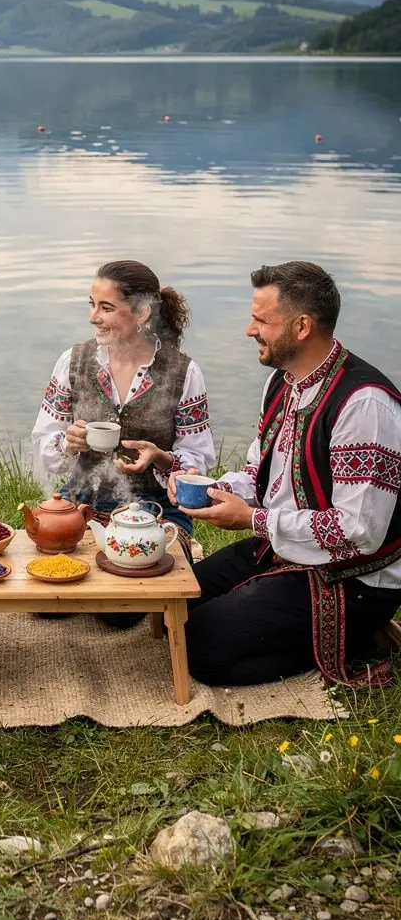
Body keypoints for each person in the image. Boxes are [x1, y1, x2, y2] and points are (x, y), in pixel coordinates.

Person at [175, 261, 401, 687]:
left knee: (198, 649)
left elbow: (359, 531)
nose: (249, 329)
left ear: (301, 327)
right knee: (176, 601)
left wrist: (252, 520)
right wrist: (213, 490)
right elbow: (262, 475)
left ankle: (349, 642)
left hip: (354, 579)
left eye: (261, 320)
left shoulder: (363, 405)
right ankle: (291, 624)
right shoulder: (282, 382)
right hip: (285, 547)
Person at [32, 260, 215, 625]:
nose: (93, 317)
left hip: (155, 510)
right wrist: (69, 443)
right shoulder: (74, 361)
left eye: (106, 307)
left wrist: (162, 459)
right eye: (91, 304)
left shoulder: (182, 371)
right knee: (46, 603)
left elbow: (198, 461)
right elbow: (44, 440)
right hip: (80, 505)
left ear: (143, 312)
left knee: (117, 613)